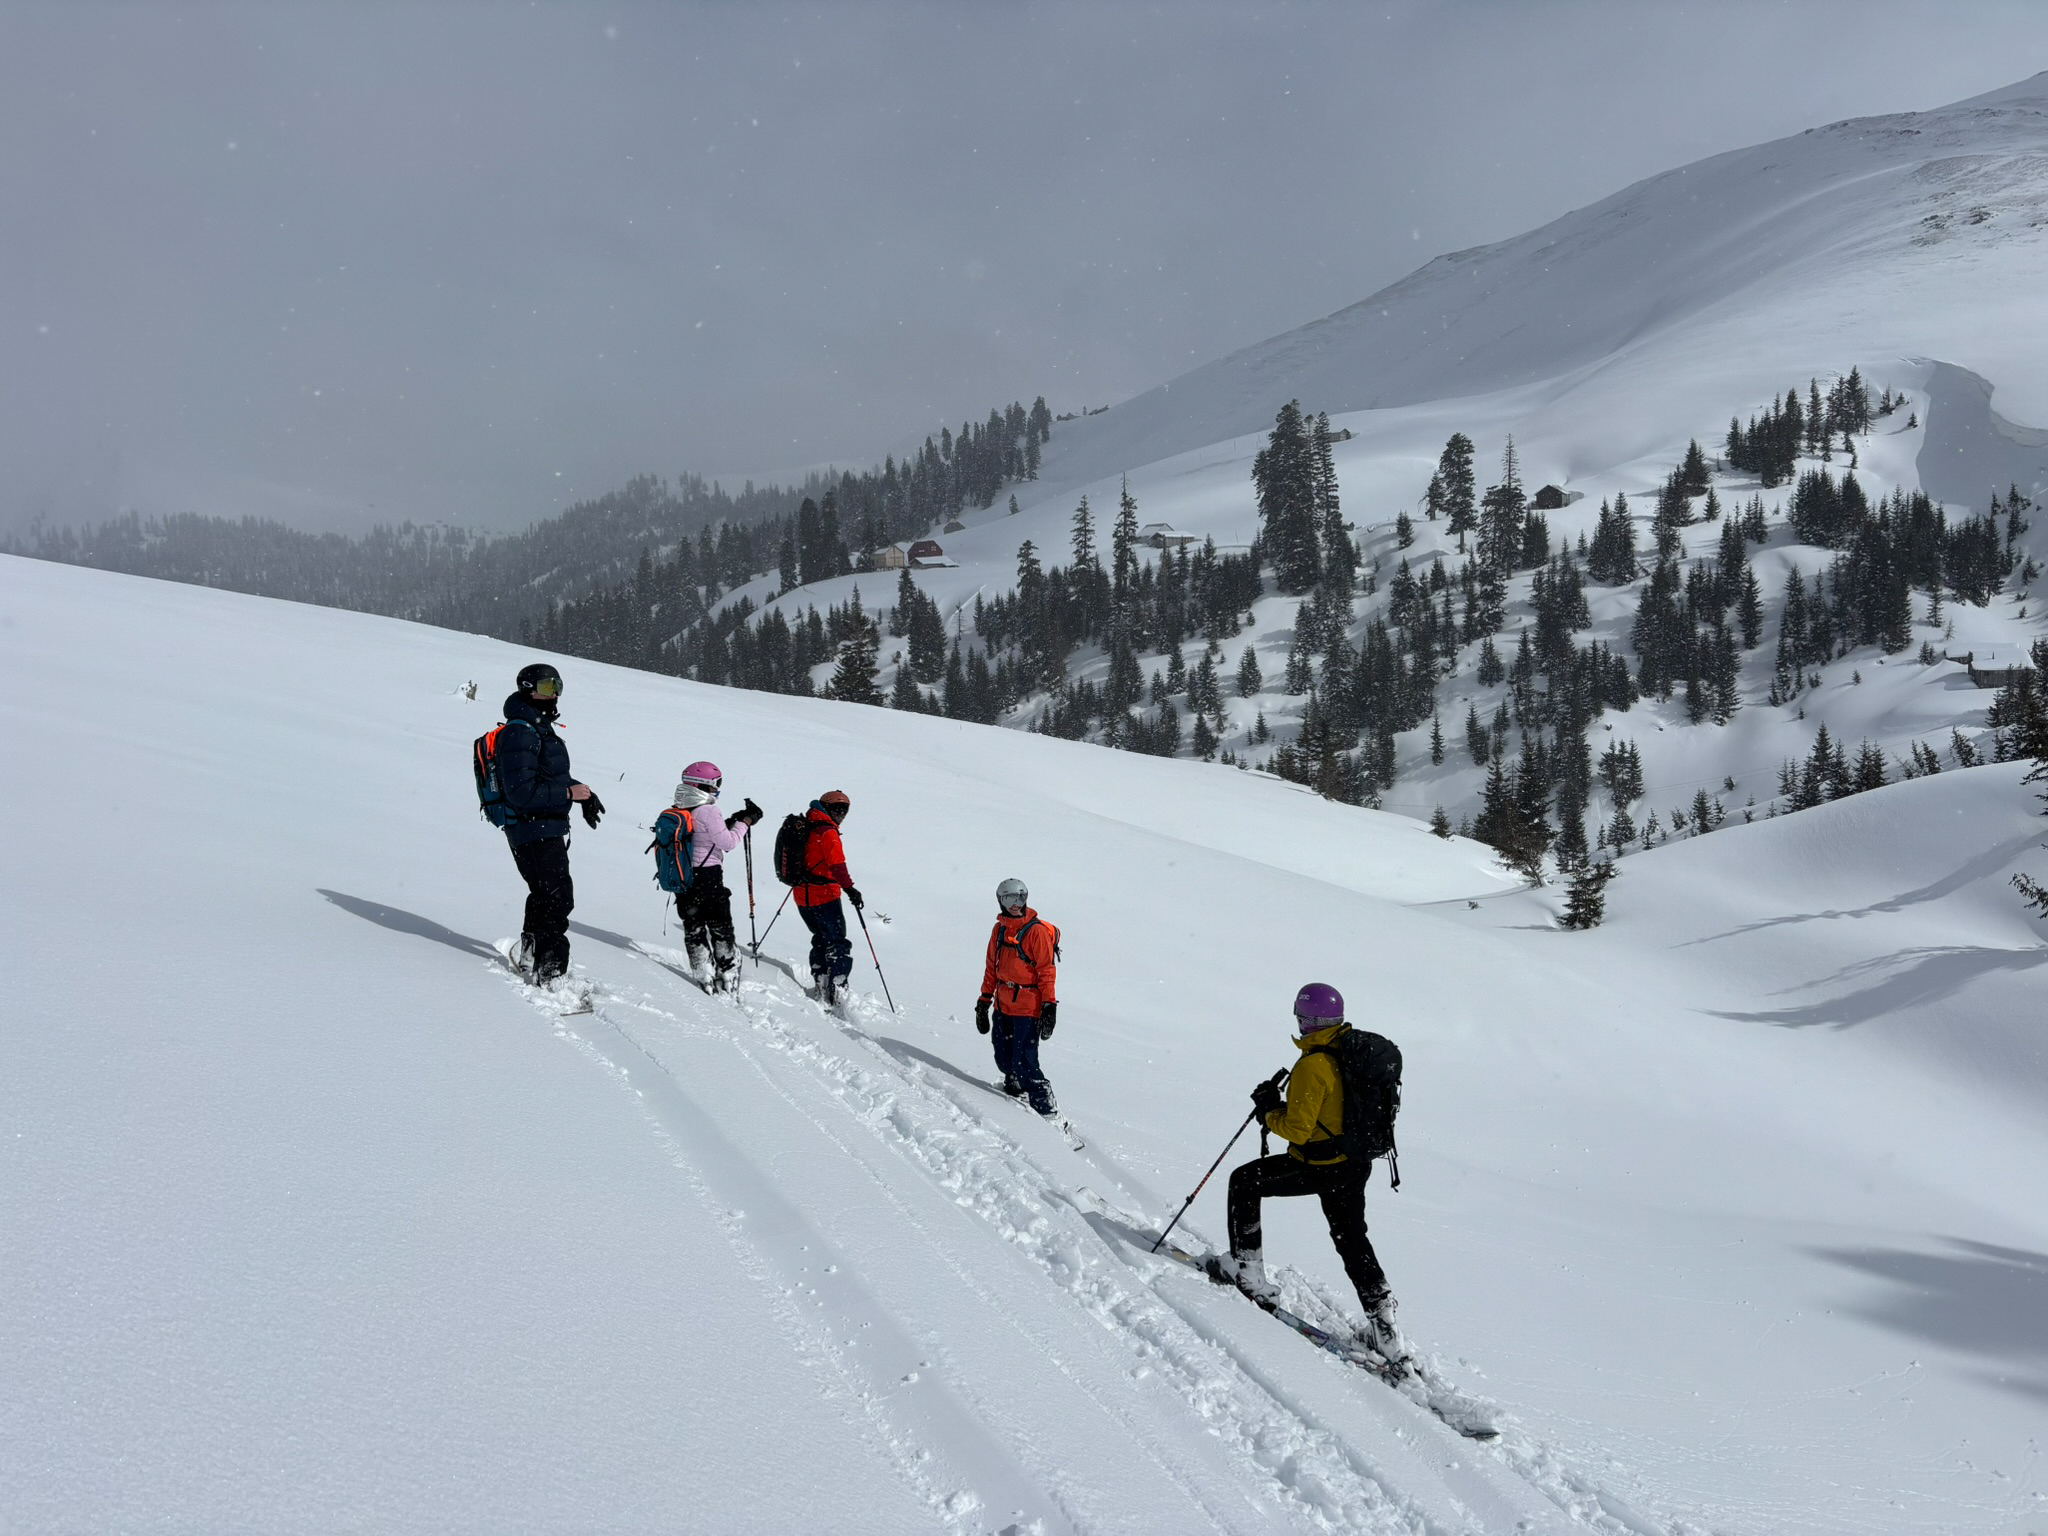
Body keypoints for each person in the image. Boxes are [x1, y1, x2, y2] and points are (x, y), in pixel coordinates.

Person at [1207, 983, 1402, 1362]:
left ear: (1307, 1020)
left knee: (1244, 1182)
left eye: (1300, 1016)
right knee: (1352, 1239)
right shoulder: (1350, 1052)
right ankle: (1385, 1326)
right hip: (1354, 1164)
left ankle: (1249, 1276)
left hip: (1320, 1166)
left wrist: (1268, 1110)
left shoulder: (1313, 1065)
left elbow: (1297, 1130)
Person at [497, 663, 603, 984]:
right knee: (558, 899)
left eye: (558, 686)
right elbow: (520, 791)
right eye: (546, 687)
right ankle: (552, 974)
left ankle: (530, 956)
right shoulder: (520, 731)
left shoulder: (537, 727)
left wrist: (582, 793)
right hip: (533, 828)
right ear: (528, 689)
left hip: (539, 827)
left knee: (544, 895)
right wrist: (568, 793)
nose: (554, 694)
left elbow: (548, 775)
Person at [664, 760, 762, 991]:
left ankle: (703, 973)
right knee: (720, 925)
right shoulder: (708, 810)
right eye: (716, 784)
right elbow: (728, 843)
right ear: (705, 784)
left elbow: (701, 834)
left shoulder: (680, 807)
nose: (717, 789)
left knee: (694, 926)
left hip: (684, 876)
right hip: (708, 875)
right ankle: (727, 972)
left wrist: (733, 820)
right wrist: (746, 822)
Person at [974, 878, 1060, 1119]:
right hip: (1003, 1005)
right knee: (1003, 1057)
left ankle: (1046, 1109)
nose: (1016, 903)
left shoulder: (1036, 932)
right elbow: (991, 967)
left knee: (1025, 1061)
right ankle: (1014, 1086)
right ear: (1000, 900)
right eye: (1009, 898)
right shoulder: (999, 930)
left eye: (1021, 897)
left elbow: (1047, 972)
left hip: (1028, 1008)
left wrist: (1049, 1006)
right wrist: (984, 1001)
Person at [793, 790, 861, 1004]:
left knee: (820, 938)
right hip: (825, 895)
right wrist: (850, 889)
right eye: (837, 809)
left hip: (802, 894)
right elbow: (837, 865)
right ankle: (837, 990)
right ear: (826, 808)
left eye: (845, 809)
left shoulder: (807, 824)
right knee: (837, 942)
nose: (841, 813)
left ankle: (821, 981)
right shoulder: (828, 832)